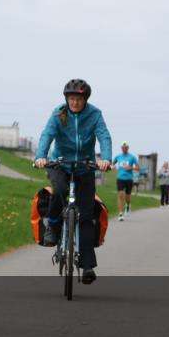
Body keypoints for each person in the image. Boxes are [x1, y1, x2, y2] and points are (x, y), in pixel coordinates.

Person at [33, 79, 113, 284]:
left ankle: (87, 266)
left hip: (85, 166)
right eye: (71, 99)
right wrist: (41, 156)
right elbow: (47, 135)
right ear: (66, 99)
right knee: (58, 191)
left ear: (85, 99)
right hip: (61, 164)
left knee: (86, 215)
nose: (75, 103)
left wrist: (105, 159)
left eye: (78, 99)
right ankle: (52, 227)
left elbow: (104, 136)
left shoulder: (94, 115)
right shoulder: (58, 114)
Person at [111, 142, 139, 220]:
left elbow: (138, 168)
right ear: (121, 148)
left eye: (126, 147)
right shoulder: (118, 156)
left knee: (128, 196)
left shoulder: (132, 157)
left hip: (129, 179)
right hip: (120, 178)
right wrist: (112, 166)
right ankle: (120, 214)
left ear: (128, 148)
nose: (124, 149)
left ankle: (128, 205)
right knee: (120, 194)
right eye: (123, 147)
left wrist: (130, 168)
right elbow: (112, 164)